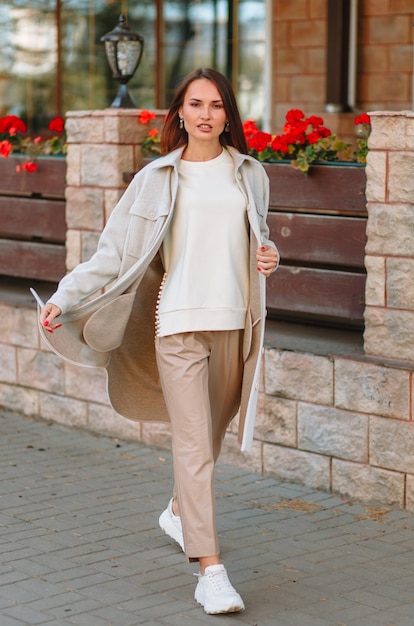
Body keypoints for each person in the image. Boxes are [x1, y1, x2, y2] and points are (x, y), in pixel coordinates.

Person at [39, 67, 278, 615]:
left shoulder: (250, 174)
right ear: (178, 113)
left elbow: (259, 238)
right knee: (192, 447)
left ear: (228, 115)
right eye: (195, 103)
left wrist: (271, 255)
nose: (205, 114)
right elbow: (113, 254)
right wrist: (65, 297)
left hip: (235, 326)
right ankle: (210, 569)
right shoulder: (156, 178)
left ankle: (177, 510)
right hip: (176, 326)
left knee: (209, 444)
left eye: (216, 105)